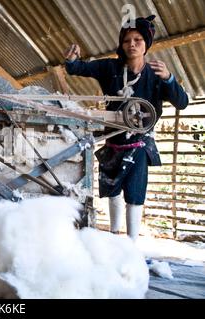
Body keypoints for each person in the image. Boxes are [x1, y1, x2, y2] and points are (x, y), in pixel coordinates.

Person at [64, 15, 188, 241]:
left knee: (134, 192)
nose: (132, 44)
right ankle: (114, 237)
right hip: (113, 140)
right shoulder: (109, 67)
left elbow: (183, 102)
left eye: (138, 40)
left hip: (139, 144)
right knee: (113, 190)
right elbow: (77, 69)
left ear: (146, 44)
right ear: (121, 44)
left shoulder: (156, 74)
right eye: (127, 40)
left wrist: (170, 79)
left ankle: (131, 244)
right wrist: (72, 61)